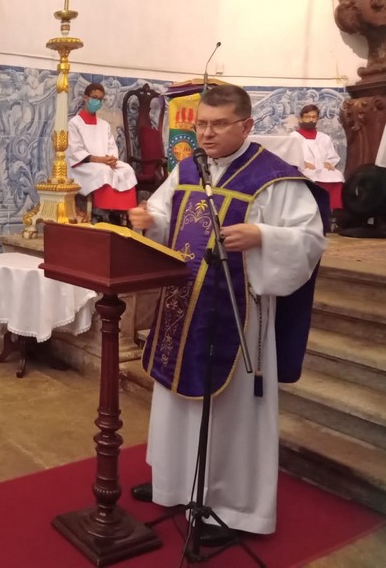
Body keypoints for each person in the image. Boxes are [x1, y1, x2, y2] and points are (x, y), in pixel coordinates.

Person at [127, 85, 328, 545]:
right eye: (201, 124)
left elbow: (310, 241)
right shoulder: (187, 168)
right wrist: (147, 219)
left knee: (231, 413)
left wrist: (262, 237)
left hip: (240, 317)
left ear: (246, 126)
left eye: (218, 125)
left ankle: (232, 507)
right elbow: (163, 213)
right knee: (176, 400)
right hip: (184, 310)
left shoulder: (276, 178)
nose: (207, 133)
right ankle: (175, 483)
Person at [66, 82, 138, 224]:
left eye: (100, 99)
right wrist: (101, 160)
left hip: (105, 163)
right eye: (94, 97)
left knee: (127, 170)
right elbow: (76, 151)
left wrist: (112, 159)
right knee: (103, 172)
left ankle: (121, 212)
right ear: (86, 98)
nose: (97, 101)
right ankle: (104, 211)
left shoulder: (103, 125)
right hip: (83, 166)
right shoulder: (74, 123)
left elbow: (112, 146)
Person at [289, 104, 345, 211]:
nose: (310, 120)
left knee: (337, 175)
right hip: (304, 169)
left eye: (313, 117)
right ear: (301, 119)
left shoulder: (324, 137)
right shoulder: (293, 137)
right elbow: (290, 156)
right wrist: (302, 163)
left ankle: (334, 211)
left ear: (317, 119)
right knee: (310, 176)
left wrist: (329, 162)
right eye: (307, 117)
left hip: (321, 169)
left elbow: (332, 156)